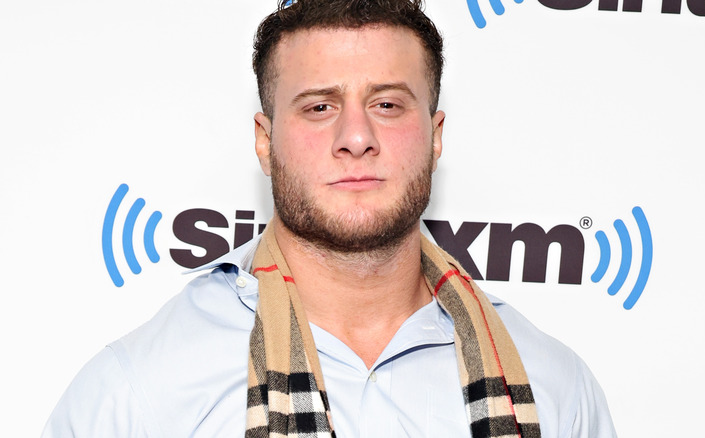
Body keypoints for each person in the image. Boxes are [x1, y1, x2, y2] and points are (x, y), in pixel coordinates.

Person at [42, 0, 616, 437]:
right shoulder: (137, 394)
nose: (357, 138)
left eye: (387, 104)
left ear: (436, 137)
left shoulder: (555, 389)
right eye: (320, 107)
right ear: (265, 143)